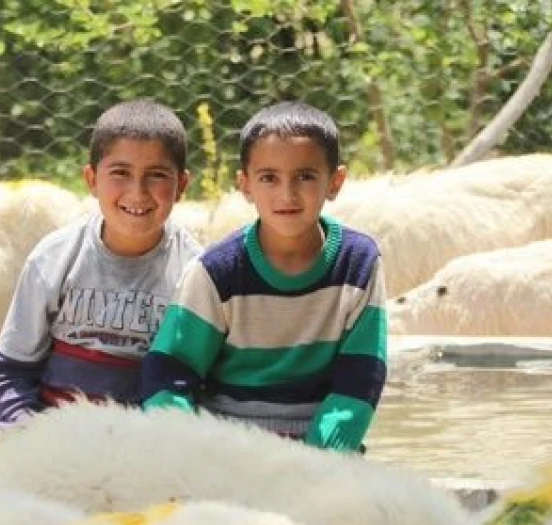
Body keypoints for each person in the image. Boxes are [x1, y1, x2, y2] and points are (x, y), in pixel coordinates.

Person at [141, 100, 388, 453]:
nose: (286, 194)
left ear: (335, 182)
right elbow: (170, 371)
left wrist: (319, 462)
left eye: (305, 176)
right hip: (228, 446)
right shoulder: (216, 271)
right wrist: (188, 451)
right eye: (269, 178)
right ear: (245, 185)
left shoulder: (359, 263)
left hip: (321, 450)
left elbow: (359, 382)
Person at [0, 98, 203, 426]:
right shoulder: (53, 259)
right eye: (120, 173)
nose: (138, 191)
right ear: (91, 180)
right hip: (54, 438)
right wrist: (27, 434)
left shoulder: (196, 275)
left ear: (181, 185)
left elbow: (194, 383)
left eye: (156, 175)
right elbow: (10, 371)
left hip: (148, 446)